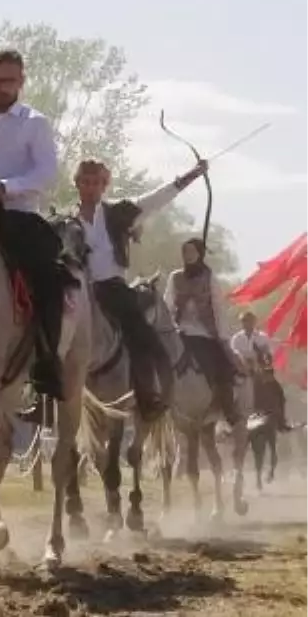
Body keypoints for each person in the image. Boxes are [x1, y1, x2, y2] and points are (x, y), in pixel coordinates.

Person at [0, 51, 67, 402]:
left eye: (10, 81)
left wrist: (5, 187)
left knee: (50, 276)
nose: (3, 87)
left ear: (21, 82)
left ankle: (47, 361)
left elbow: (46, 172)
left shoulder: (35, 122)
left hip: (17, 215)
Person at [73, 158, 208, 418]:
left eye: (96, 183)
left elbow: (155, 199)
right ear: (77, 184)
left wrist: (190, 175)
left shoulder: (117, 213)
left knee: (144, 340)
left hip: (112, 289)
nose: (90, 188)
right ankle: (41, 397)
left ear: (104, 185)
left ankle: (148, 397)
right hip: (79, 289)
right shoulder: (68, 221)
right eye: (85, 182)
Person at [164, 237, 238, 424]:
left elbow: (218, 307)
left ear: (200, 254)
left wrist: (222, 337)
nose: (188, 255)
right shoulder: (175, 277)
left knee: (224, 365)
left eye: (191, 252)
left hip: (204, 332)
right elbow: (168, 304)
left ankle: (227, 407)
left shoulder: (209, 277)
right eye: (185, 252)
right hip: (179, 330)